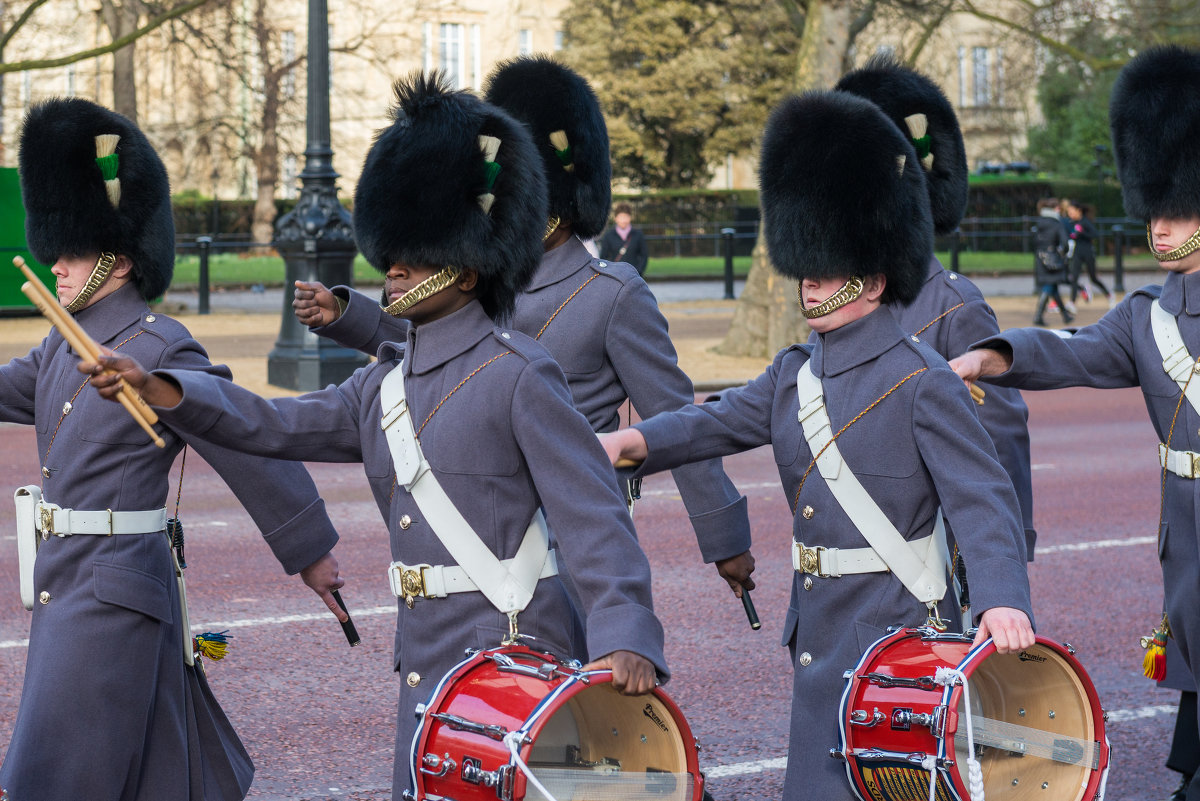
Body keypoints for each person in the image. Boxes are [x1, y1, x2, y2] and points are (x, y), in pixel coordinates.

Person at [79, 74, 667, 801]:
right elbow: (272, 422)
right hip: (428, 656)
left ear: (469, 261)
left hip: (518, 647)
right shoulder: (385, 382)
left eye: (414, 254)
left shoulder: (520, 373)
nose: (394, 265)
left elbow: (591, 513)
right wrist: (161, 388)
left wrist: (627, 627)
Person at [601, 89, 1034, 801]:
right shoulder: (793, 372)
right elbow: (713, 421)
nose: (809, 279)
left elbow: (983, 499)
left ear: (869, 274)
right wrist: (632, 439)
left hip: (898, 626)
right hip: (820, 625)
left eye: (825, 268)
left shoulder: (920, 378)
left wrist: (1001, 597)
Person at [293, 55, 754, 597]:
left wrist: (723, 534)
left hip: (572, 532)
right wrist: (351, 318)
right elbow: (437, 353)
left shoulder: (612, 293)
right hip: (481, 522)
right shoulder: (478, 280)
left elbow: (673, 417)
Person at [0, 98, 345, 801]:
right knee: (157, 767)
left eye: (70, 253)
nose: (54, 267)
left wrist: (310, 551)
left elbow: (242, 439)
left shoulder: (160, 345)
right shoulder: (63, 341)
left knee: (56, 771)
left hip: (112, 586)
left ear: (119, 262)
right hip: (77, 577)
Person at [950, 45, 1200, 801]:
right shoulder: (1147, 318)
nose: (1160, 228)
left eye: (1178, 211)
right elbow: (1072, 351)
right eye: (1154, 210)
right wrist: (993, 356)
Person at [832, 55, 1038, 561]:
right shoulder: (842, 300)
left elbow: (999, 445)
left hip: (935, 559)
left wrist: (999, 559)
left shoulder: (955, 304)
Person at [1032, 197, 1074, 326]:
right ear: (1054, 209)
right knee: (1049, 285)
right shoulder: (1056, 223)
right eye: (1058, 208)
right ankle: (1038, 316)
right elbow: (1065, 243)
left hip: (1040, 257)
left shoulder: (1039, 222)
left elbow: (1033, 241)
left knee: (1053, 286)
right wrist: (1062, 253)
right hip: (1052, 259)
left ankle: (1065, 316)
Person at [1066, 198, 1114, 307]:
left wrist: (1082, 233)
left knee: (1093, 278)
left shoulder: (1085, 222)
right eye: (1068, 211)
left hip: (1088, 252)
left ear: (1078, 210)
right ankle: (1072, 303)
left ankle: (1109, 294)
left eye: (1071, 211)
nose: (1069, 213)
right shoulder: (1072, 223)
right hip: (1077, 253)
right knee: (1074, 277)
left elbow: (1095, 234)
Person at [598, 201, 649, 275]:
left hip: (634, 275)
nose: (623, 220)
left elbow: (644, 255)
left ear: (630, 218)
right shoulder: (608, 235)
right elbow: (603, 257)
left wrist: (639, 271)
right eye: (621, 217)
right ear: (616, 218)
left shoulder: (638, 234)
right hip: (615, 276)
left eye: (626, 217)